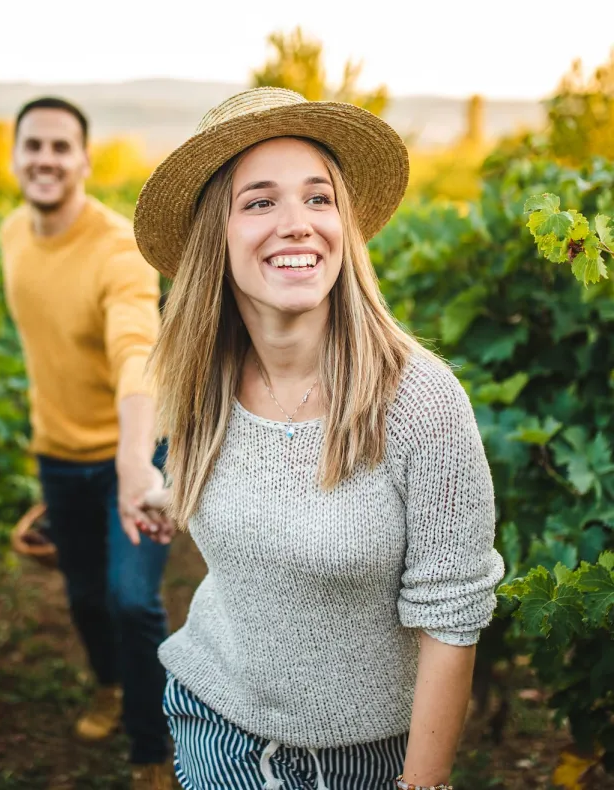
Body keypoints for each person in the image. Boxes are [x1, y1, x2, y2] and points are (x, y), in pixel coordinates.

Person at [132, 87, 505, 790]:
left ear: (345, 227)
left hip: (370, 760)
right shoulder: (200, 376)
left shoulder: (420, 403)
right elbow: (233, 475)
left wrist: (422, 785)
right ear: (219, 235)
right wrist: (169, 495)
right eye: (261, 201)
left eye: (318, 198)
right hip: (216, 725)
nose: (297, 224)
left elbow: (453, 619)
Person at [0, 96, 173, 790]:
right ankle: (108, 684)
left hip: (129, 452)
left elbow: (138, 350)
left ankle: (152, 746)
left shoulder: (117, 250)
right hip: (57, 455)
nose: (45, 159)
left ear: (84, 160)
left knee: (132, 601)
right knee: (82, 597)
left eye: (60, 147)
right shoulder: (12, 233)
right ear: (15, 157)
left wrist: (136, 461)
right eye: (33, 146)